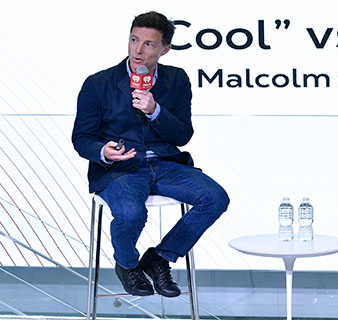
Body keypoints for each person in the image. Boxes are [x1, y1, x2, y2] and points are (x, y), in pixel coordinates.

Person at [72, 11, 229, 297]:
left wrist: (155, 111)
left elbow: (183, 135)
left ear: (164, 49)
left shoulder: (177, 80)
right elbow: (82, 138)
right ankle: (128, 265)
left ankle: (160, 257)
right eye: (134, 40)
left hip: (166, 164)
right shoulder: (98, 83)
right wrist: (103, 151)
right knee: (131, 213)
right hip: (122, 168)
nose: (138, 50)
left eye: (148, 44)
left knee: (215, 199)